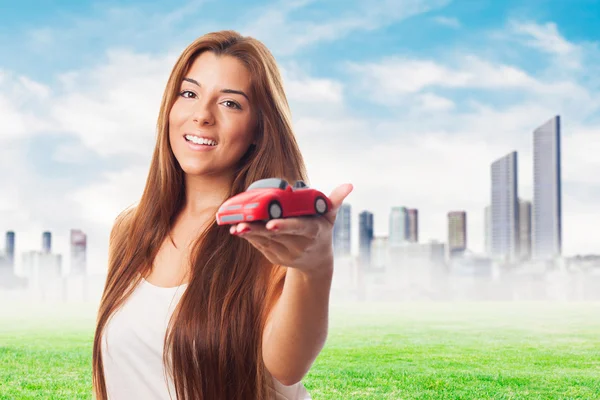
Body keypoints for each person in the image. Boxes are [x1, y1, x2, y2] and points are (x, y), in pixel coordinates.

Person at [91, 30, 353, 400]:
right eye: (189, 94)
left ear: (259, 129)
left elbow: (288, 367)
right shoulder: (129, 231)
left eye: (230, 104)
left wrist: (313, 268)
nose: (201, 116)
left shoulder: (271, 235)